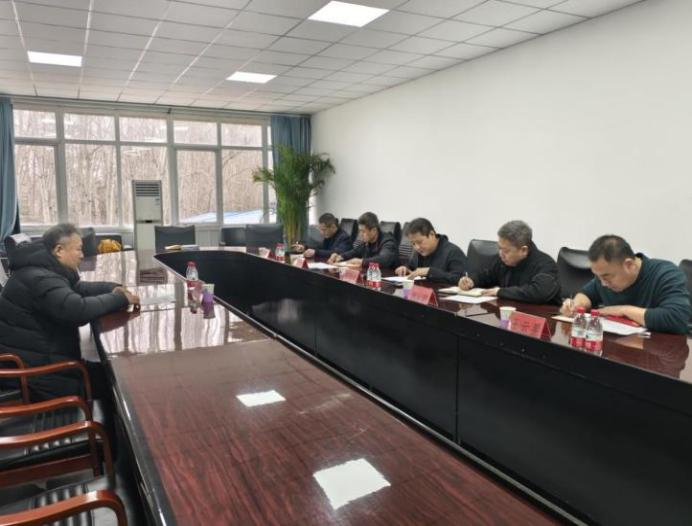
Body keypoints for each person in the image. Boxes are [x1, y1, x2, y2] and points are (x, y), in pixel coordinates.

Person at [0, 223, 140, 400]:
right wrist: (121, 299)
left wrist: (112, 288)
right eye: (78, 249)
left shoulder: (41, 268)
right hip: (39, 377)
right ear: (59, 250)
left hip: (44, 361)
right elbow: (77, 310)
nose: (82, 255)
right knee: (121, 386)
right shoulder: (40, 279)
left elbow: (76, 288)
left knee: (114, 374)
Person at [560, 235, 690, 334]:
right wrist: (575, 305)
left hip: (660, 353)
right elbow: (587, 294)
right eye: (598, 277)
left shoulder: (666, 274)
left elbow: (677, 318)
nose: (603, 284)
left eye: (606, 277)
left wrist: (623, 310)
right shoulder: (605, 277)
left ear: (629, 265)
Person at [458, 220, 561, 304]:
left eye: (506, 251)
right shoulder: (503, 260)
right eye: (499, 248)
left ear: (523, 250)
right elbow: (487, 275)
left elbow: (538, 293)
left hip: (539, 318)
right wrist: (471, 281)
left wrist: (500, 292)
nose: (501, 254)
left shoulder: (545, 264)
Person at [394, 217, 467, 284]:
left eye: (420, 242)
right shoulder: (419, 251)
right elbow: (412, 268)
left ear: (432, 234)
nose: (417, 247)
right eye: (413, 243)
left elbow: (460, 279)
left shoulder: (453, 252)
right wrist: (405, 269)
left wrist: (429, 272)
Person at [328, 212, 398, 268]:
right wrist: (340, 256)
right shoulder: (367, 241)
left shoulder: (388, 242)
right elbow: (355, 252)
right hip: (371, 276)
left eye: (363, 231)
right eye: (360, 231)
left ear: (374, 230)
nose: (360, 234)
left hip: (387, 277)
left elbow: (384, 259)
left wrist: (362, 262)